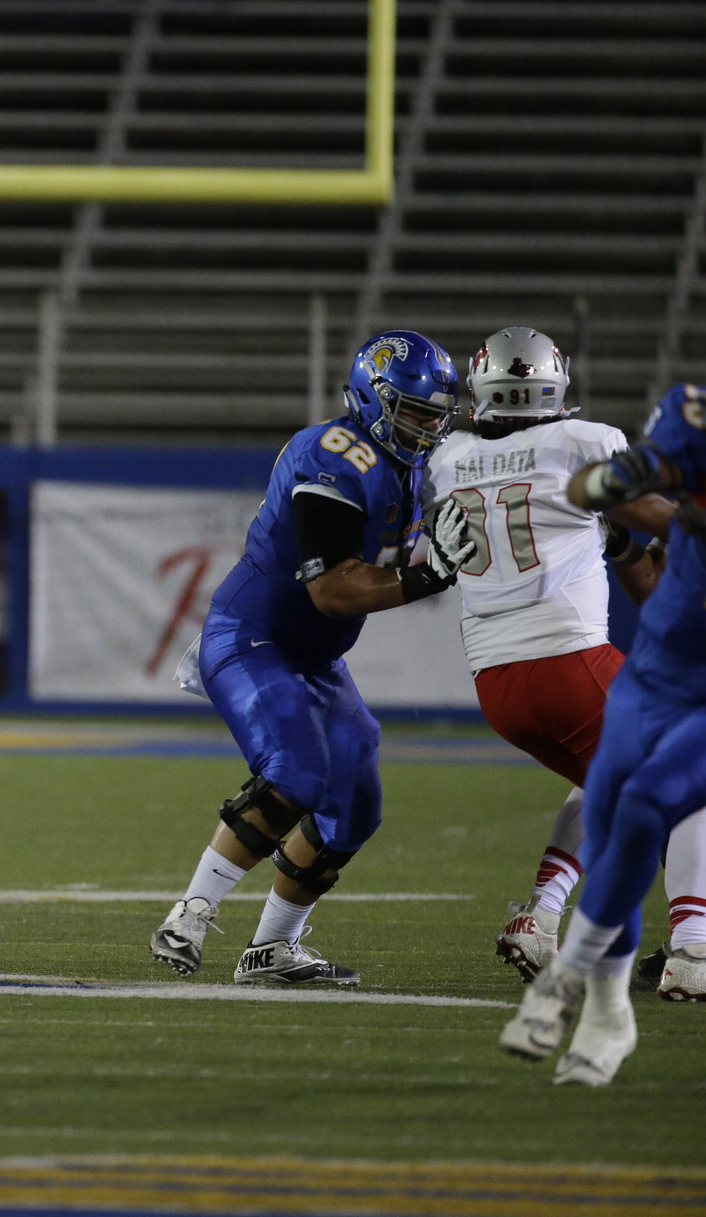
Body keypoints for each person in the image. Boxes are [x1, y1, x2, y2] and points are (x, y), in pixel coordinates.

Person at [151, 331, 472, 987]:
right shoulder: (334, 454)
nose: (428, 427)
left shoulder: (413, 467)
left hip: (317, 661)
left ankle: (273, 948)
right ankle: (190, 912)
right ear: (373, 399)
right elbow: (331, 592)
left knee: (357, 807)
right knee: (296, 772)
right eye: (415, 412)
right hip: (254, 638)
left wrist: (434, 563)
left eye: (436, 414)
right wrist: (429, 575)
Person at [422, 328, 677, 982]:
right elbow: (665, 521)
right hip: (567, 660)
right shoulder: (581, 445)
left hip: (497, 684)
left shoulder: (449, 457)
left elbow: (624, 552)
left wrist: (616, 542)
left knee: (604, 782)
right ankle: (695, 944)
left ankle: (539, 917)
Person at [501, 382, 706, 1083]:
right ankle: (656, 962)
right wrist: (623, 508)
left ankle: (658, 952)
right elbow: (599, 494)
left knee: (653, 803)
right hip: (661, 675)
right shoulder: (688, 426)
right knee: (634, 807)